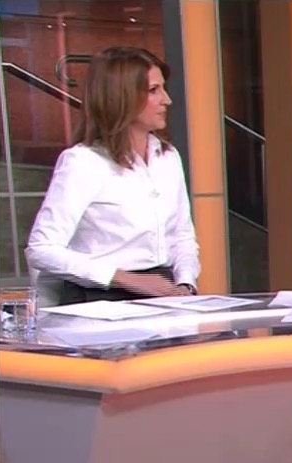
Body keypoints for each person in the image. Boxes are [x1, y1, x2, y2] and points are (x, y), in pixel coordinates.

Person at [26, 46, 200, 305]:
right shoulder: (83, 162)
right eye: (154, 90)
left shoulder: (168, 157)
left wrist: (186, 283)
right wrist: (125, 279)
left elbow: (182, 236)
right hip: (101, 295)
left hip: (165, 290)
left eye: (163, 88)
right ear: (122, 97)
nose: (167, 100)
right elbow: (41, 249)